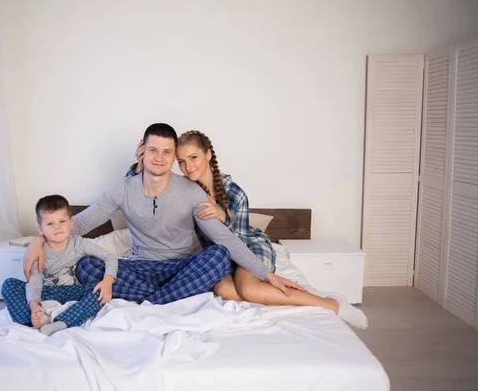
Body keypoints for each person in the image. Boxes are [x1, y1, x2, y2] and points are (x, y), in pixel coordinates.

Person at [23, 123, 305, 306]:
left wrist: (267, 275)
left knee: (218, 255)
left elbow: (226, 239)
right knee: (86, 265)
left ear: (173, 158)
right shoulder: (123, 189)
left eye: (167, 152)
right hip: (139, 268)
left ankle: (150, 303)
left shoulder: (191, 191)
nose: (159, 158)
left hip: (179, 266)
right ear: (142, 152)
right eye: (153, 150)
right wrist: (38, 242)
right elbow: (80, 223)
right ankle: (166, 300)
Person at [128, 130, 368, 329]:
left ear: (208, 155)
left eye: (193, 158)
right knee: (225, 291)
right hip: (218, 256)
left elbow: (239, 242)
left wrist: (223, 216)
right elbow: (145, 190)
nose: (187, 166)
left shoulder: (234, 193)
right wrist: (138, 167)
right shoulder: (185, 190)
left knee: (248, 288)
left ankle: (331, 305)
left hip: (248, 248)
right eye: (181, 161)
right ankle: (295, 293)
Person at [2, 195, 119, 336]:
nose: (57, 227)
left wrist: (107, 281)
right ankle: (35, 319)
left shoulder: (79, 243)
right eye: (50, 224)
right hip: (50, 291)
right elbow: (35, 282)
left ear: (71, 223)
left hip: (75, 290)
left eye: (62, 221)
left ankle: (62, 322)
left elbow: (110, 257)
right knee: (9, 284)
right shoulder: (39, 251)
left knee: (101, 291)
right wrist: (34, 305)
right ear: (41, 229)